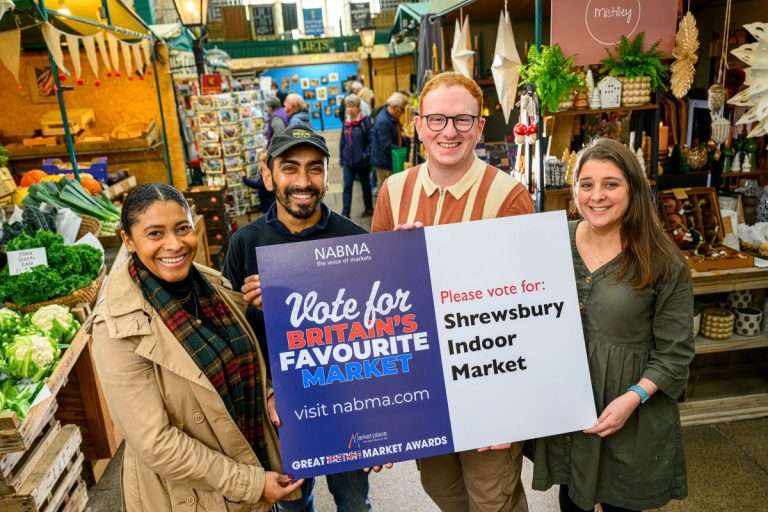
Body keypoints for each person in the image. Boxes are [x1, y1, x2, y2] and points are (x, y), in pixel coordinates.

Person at [371, 71, 534, 512]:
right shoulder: (394, 191)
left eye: (462, 120)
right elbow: (377, 297)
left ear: (479, 127)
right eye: (437, 119)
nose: (449, 131)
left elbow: (530, 307)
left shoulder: (509, 196)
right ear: (418, 125)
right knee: (441, 486)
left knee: (492, 497)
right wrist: (395, 262)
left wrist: (515, 406)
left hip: (490, 380)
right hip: (424, 381)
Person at [88, 183, 303, 512]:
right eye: (155, 234)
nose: (174, 244)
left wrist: (268, 392)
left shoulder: (210, 284)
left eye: (182, 228)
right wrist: (251, 483)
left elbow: (238, 360)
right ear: (128, 240)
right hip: (191, 496)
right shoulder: (116, 327)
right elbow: (155, 442)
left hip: (249, 460)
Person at [532, 138, 695, 512]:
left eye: (611, 184)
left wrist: (633, 397)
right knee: (571, 496)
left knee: (623, 504)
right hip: (569, 409)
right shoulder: (551, 241)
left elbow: (675, 352)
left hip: (629, 411)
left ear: (633, 188)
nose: (597, 196)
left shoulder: (663, 261)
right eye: (586, 184)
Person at [222, 125, 373, 512]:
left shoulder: (355, 239)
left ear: (327, 175)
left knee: (354, 502)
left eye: (314, 168)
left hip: (345, 406)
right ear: (268, 175)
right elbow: (231, 334)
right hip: (280, 411)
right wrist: (266, 390)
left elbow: (376, 332)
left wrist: (381, 420)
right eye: (289, 168)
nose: (303, 182)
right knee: (292, 505)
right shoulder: (245, 242)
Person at [340, 94, 374, 218]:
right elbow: (342, 141)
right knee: (347, 186)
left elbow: (371, 140)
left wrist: (365, 154)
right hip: (348, 161)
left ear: (358, 107)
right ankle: (345, 214)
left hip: (362, 162)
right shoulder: (346, 122)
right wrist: (342, 158)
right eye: (348, 106)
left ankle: (369, 208)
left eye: (353, 106)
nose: (350, 109)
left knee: (365, 185)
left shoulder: (365, 121)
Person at [370, 92, 410, 192]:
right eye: (402, 110)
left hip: (388, 161)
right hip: (384, 164)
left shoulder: (391, 117)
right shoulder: (383, 121)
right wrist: (406, 150)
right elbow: (386, 146)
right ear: (395, 107)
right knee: (387, 192)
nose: (402, 114)